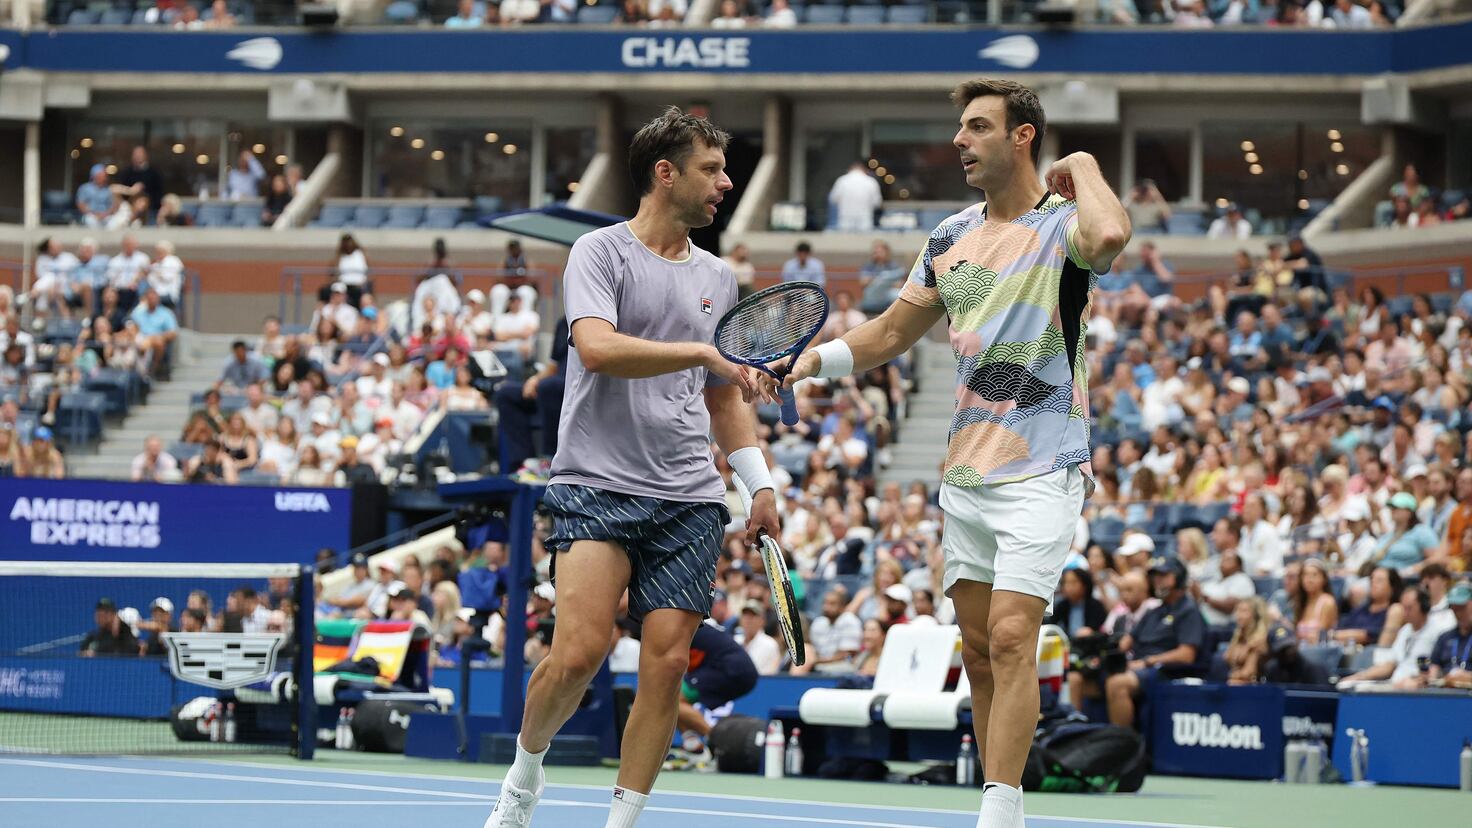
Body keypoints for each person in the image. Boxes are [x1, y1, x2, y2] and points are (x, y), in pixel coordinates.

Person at [770, 78, 1128, 828]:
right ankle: (1001, 797)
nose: (960, 141)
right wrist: (817, 361)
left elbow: (1112, 238)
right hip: (966, 468)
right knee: (975, 647)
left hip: (1044, 462)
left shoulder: (1063, 224)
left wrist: (1086, 164)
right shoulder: (949, 236)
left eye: (977, 127)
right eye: (960, 128)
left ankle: (1000, 814)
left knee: (1010, 636)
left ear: (1023, 135)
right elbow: (891, 332)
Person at [484, 108, 779, 828]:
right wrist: (705, 352)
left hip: (688, 495)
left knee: (669, 662)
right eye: (712, 169)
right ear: (666, 172)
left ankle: (622, 823)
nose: (727, 183)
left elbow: (722, 397)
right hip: (596, 481)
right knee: (579, 653)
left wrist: (760, 481)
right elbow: (597, 348)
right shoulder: (599, 252)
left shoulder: (718, 276)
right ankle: (524, 780)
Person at [672, 621, 761, 765]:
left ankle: (719, 744)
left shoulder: (679, 625)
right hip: (732, 668)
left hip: (733, 668)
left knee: (671, 699)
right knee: (672, 697)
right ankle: (694, 747)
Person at [493, 317, 568, 477]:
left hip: (578, 388)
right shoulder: (564, 322)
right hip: (554, 384)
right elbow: (553, 366)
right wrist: (534, 380)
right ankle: (523, 463)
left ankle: (550, 462)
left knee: (549, 387)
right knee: (506, 394)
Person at [1340, 586, 1455, 689]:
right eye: (1403, 608)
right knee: (1351, 686)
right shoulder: (1405, 630)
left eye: (1409, 608)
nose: (1404, 613)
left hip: (1419, 687)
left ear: (1424, 607)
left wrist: (1418, 680)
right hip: (1395, 684)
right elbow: (1390, 665)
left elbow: (1437, 670)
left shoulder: (1438, 632)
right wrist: (1358, 677)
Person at [1425, 583, 1472, 689]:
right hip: (1446, 692)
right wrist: (1429, 677)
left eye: (1462, 608)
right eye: (1454, 609)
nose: (1458, 613)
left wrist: (1466, 676)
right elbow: (1433, 668)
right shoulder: (1445, 637)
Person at [807, 585, 863, 670]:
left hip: (841, 665)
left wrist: (815, 661)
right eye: (825, 603)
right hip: (819, 663)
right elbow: (812, 649)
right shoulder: (818, 622)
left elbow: (846, 655)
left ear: (842, 607)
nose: (826, 607)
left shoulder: (850, 620)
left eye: (832, 604)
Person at [1224, 597, 1270, 684]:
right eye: (1238, 610)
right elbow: (1227, 656)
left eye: (1244, 611)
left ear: (1255, 616)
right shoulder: (1238, 637)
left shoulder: (1259, 640)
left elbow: (1248, 672)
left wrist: (1234, 675)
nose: (1239, 615)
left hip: (1254, 687)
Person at [828, 160, 883, 232]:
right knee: (864, 242)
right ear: (864, 169)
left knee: (845, 241)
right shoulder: (871, 182)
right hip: (864, 218)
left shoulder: (842, 181)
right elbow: (877, 203)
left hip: (845, 218)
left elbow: (833, 199)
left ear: (850, 169)